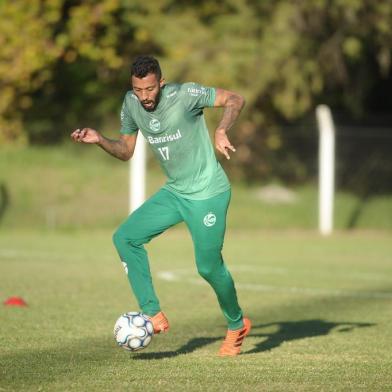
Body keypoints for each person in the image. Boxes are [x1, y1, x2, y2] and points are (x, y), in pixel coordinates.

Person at [71, 55, 251, 356]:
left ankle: (236, 324)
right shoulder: (131, 104)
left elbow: (235, 98)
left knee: (207, 267)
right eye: (138, 90)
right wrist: (100, 139)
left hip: (208, 192)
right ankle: (153, 315)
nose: (144, 96)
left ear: (161, 83)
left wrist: (221, 129)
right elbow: (126, 150)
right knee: (125, 238)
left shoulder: (185, 95)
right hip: (175, 193)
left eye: (150, 89)